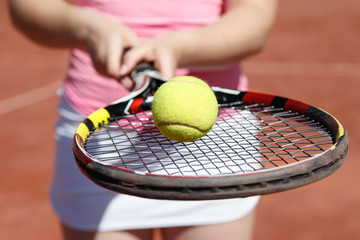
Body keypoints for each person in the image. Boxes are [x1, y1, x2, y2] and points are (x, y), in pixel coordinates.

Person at [8, 0, 278, 239]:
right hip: (99, 140)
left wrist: (178, 47)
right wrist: (88, 28)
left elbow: (255, 16)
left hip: (214, 139)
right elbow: (27, 7)